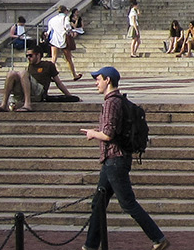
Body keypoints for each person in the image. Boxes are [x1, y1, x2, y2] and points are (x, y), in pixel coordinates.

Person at [80, 66, 168, 250]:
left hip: (115, 159)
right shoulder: (118, 100)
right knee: (98, 203)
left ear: (108, 80)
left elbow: (108, 134)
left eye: (99, 79)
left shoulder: (112, 102)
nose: (96, 82)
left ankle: (158, 238)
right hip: (112, 160)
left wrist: (92, 133)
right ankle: (90, 245)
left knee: (128, 203)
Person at [0, 44, 73, 111]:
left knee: (23, 73)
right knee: (11, 73)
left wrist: (69, 96)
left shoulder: (48, 65)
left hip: (39, 93)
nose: (28, 58)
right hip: (28, 91)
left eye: (30, 55)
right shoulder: (30, 66)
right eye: (27, 56)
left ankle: (27, 104)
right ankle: (4, 104)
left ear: (38, 55)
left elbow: (58, 83)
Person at [45, 5, 82, 81]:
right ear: (65, 11)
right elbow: (67, 27)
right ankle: (74, 75)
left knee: (53, 58)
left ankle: (49, 74)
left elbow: (49, 30)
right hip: (63, 38)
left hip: (54, 39)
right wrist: (70, 31)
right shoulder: (66, 18)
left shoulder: (52, 19)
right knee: (68, 58)